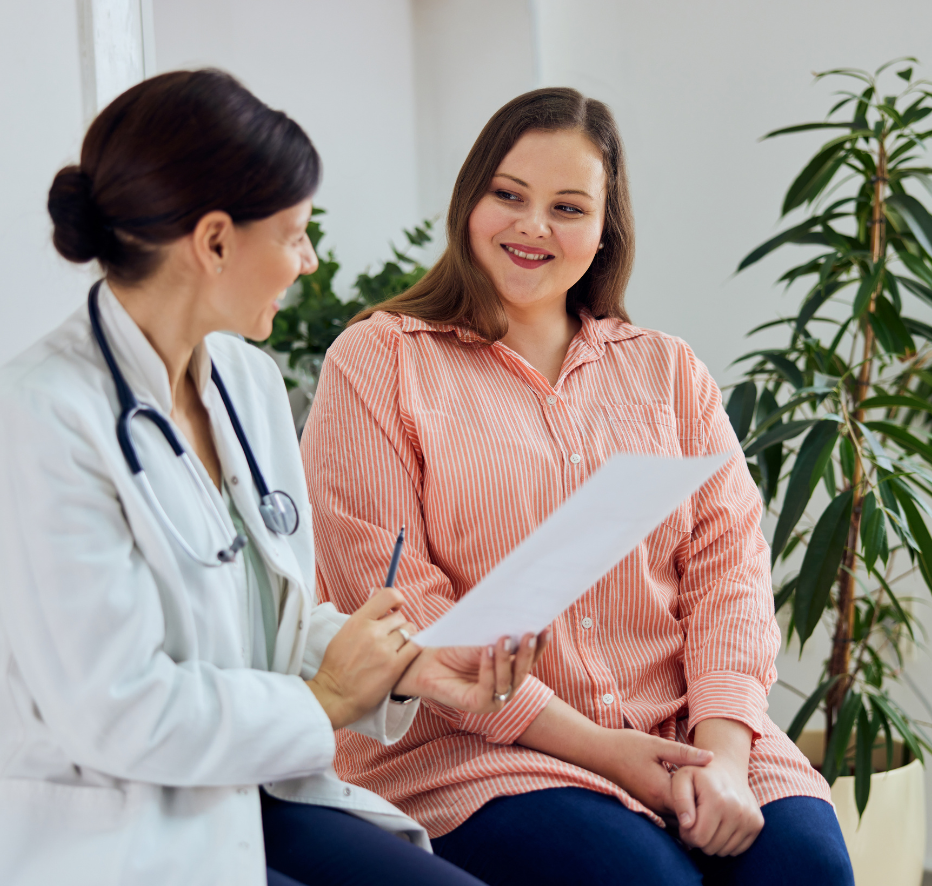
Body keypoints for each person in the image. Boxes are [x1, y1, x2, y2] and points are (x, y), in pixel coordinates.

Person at [0, 69, 548, 886]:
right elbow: (119, 710)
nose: (308, 259)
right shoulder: (42, 419)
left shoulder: (244, 384)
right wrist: (325, 701)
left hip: (251, 790)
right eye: (294, 234)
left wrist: (411, 668)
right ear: (215, 241)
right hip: (124, 824)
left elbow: (260, 623)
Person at [301, 87, 855, 886]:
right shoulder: (379, 360)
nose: (533, 226)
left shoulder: (668, 371)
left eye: (567, 206)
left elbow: (729, 575)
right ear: (469, 201)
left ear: (603, 232)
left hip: (687, 723)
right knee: (644, 879)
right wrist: (611, 755)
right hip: (479, 749)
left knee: (805, 865)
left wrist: (726, 754)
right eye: (508, 195)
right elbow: (400, 605)